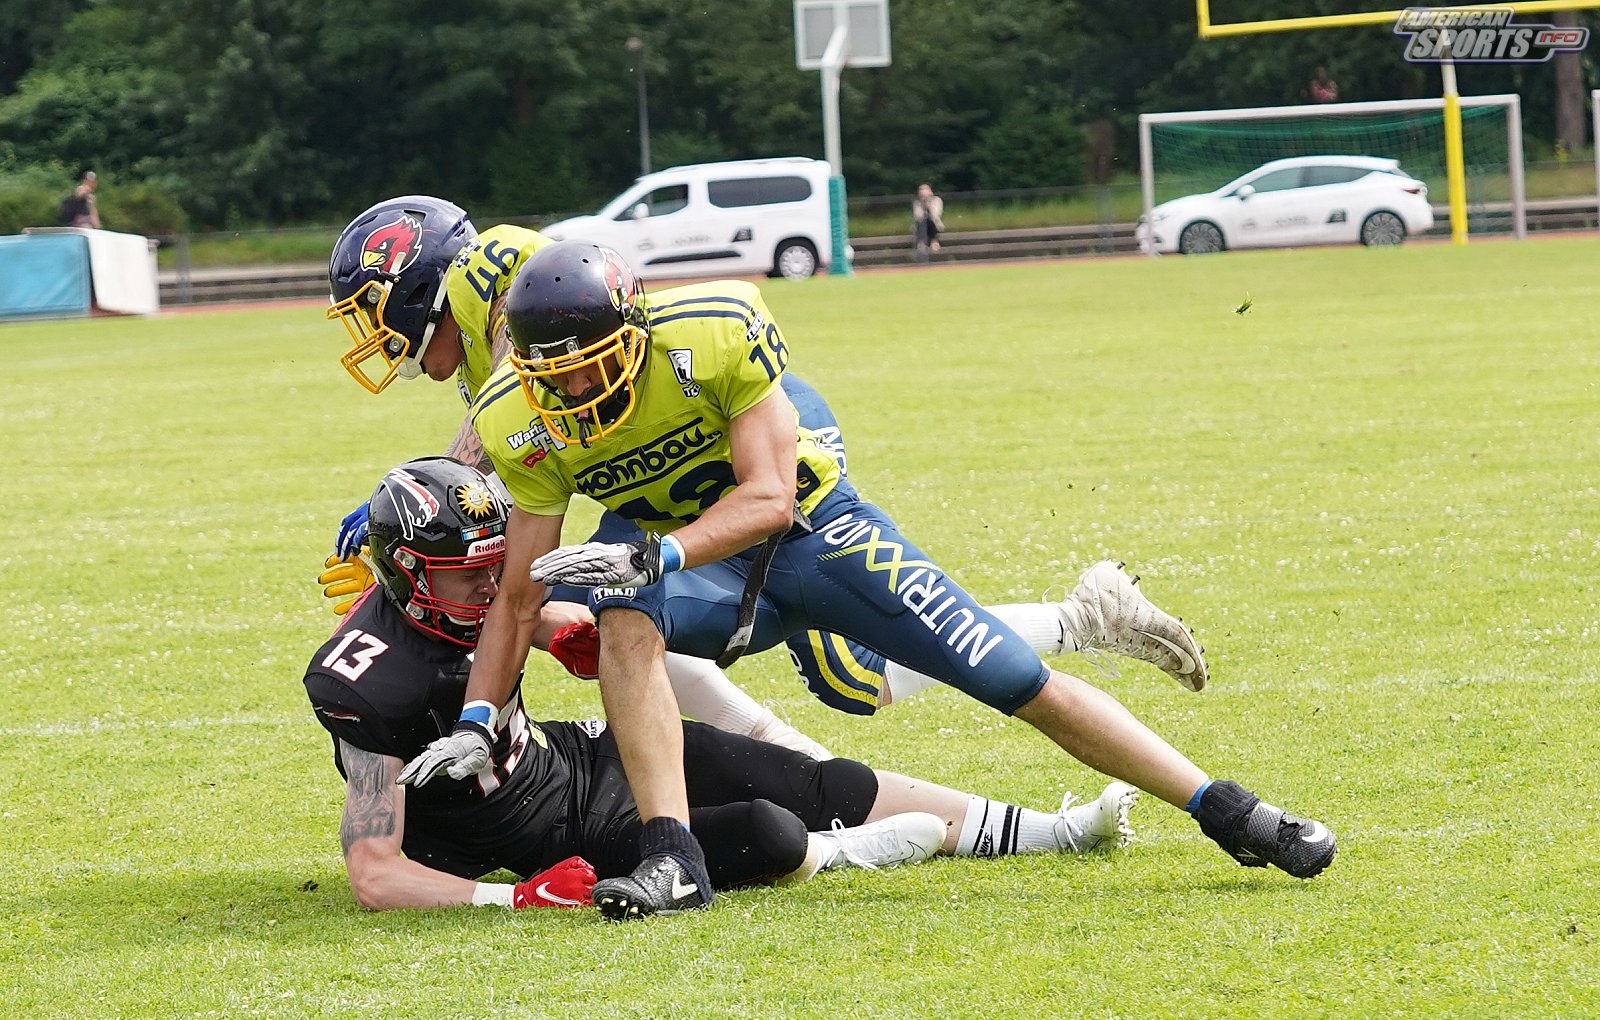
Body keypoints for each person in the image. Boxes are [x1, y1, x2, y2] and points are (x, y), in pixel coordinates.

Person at [406, 240, 1338, 920]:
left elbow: (770, 497)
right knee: (621, 620)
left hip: (819, 535)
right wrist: (481, 720)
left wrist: (656, 556)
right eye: (554, 377)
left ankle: (1229, 809)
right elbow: (521, 592)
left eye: (590, 369)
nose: (575, 394)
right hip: (702, 570)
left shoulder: (713, 333)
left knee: (1012, 680)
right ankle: (673, 858)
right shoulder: (520, 416)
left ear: (635, 334)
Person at [320, 195, 1207, 760]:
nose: (372, 332)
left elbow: (511, 416)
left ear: (413, 282)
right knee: (622, 613)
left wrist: (416, 498)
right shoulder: (478, 333)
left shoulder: (501, 273)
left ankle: (1081, 619)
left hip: (737, 436)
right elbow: (516, 432)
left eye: (372, 308)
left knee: (847, 674)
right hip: (668, 469)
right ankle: (788, 759)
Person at [307, 457, 1142, 915]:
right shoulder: (368, 682)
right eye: (468, 576)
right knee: (768, 832)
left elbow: (529, 616)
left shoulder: (481, 598)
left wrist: (569, 632)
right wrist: (514, 901)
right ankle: (845, 853)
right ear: (406, 572)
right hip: (547, 834)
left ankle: (1059, 831)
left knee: (819, 781)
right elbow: (375, 873)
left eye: (499, 568)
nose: (494, 589)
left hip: (576, 757)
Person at [912, 183, 943, 259]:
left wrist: (929, 207)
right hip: (921, 226)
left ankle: (934, 241)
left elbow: (935, 215)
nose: (924, 197)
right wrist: (923, 206)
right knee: (922, 222)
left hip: (934, 224)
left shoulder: (937, 200)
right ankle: (921, 243)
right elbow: (917, 217)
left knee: (929, 220)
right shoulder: (917, 203)